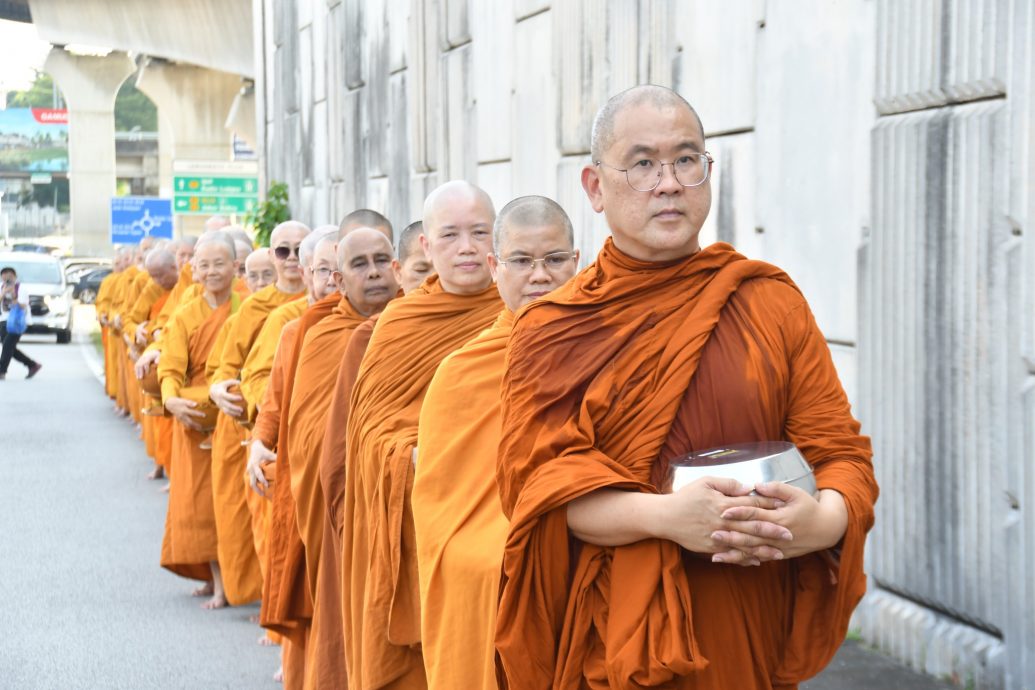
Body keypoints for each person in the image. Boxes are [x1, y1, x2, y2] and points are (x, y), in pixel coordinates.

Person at [493, 85, 879, 689]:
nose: (668, 182)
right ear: (595, 187)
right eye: (642, 163)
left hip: (746, 613)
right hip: (615, 634)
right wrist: (669, 517)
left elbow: (840, 452)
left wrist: (822, 522)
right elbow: (539, 487)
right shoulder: (553, 328)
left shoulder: (766, 300)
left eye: (687, 159)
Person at [412, 196, 579, 690]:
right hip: (487, 557)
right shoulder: (462, 369)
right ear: (495, 267)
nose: (539, 276)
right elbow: (439, 506)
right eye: (522, 261)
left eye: (553, 260)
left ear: (577, 262)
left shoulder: (607, 350)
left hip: (587, 541)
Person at [341, 181, 502, 690]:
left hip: (498, 517)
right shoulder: (398, 324)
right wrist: (413, 457)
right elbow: (368, 429)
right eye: (450, 235)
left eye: (479, 232)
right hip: (415, 514)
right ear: (427, 247)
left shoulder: (525, 310)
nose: (467, 247)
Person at [288, 230, 400, 689]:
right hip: (347, 504)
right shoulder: (323, 336)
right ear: (338, 279)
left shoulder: (415, 324)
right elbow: (313, 438)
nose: (373, 272)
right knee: (347, 611)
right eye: (359, 264)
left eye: (381, 260)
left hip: (405, 498)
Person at [205, 222, 311, 610]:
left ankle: (284, 604)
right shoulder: (256, 309)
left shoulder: (323, 299)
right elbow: (227, 366)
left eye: (300, 249)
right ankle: (269, 599)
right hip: (251, 424)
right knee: (255, 523)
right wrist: (219, 388)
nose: (293, 259)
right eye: (283, 251)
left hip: (298, 426)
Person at [157, 231, 242, 610]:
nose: (210, 271)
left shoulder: (248, 308)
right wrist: (170, 400)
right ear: (193, 269)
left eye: (218, 263)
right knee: (200, 505)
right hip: (193, 419)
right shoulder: (185, 315)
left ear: (234, 266)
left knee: (233, 503)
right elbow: (171, 367)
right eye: (203, 264)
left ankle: (233, 582)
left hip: (233, 418)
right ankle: (215, 578)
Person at [0, 266, 42, 380]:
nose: (7, 281)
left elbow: (23, 306)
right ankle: (32, 365)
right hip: (4, 321)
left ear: (15, 277)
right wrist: (3, 293)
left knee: (8, 345)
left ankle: (1, 371)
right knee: (9, 348)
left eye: (10, 278)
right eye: (5, 279)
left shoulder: (21, 288)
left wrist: (14, 295)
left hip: (18, 322)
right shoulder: (1, 287)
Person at [393, 221, 434, 293]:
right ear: (398, 272)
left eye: (443, 272)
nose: (434, 279)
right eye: (421, 270)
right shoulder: (394, 304)